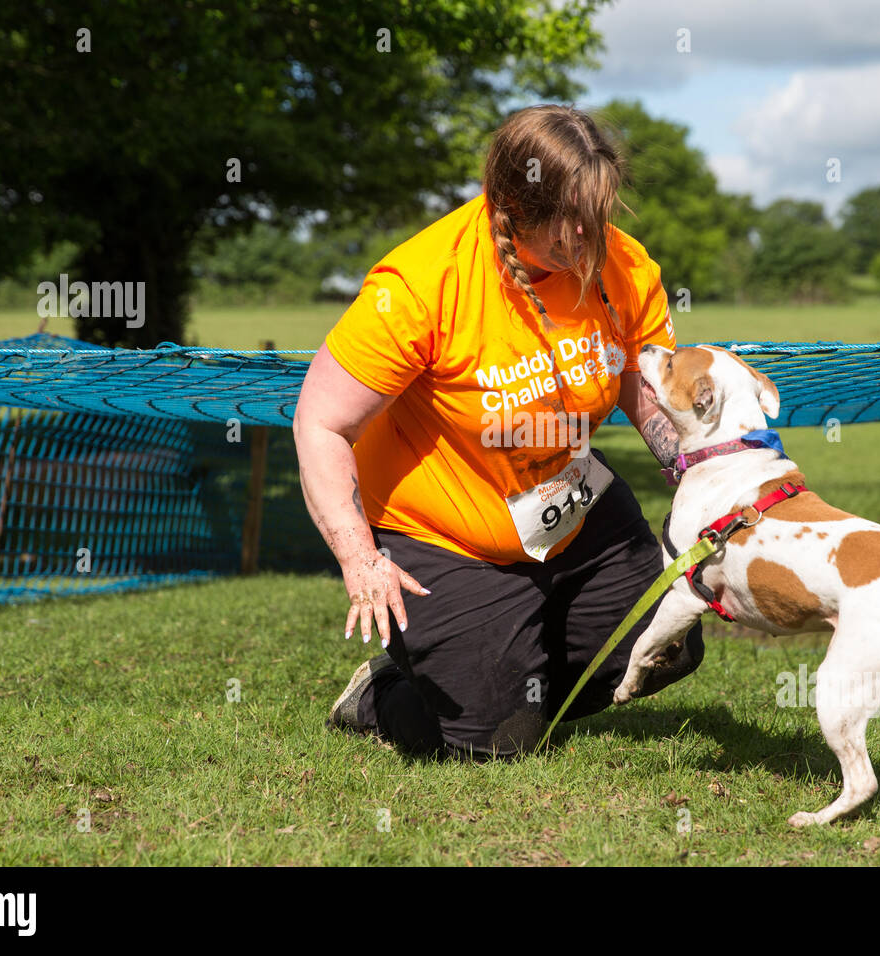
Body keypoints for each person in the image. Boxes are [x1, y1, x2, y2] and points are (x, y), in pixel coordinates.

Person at [292, 104, 703, 758]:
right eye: (568, 217)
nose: (585, 235)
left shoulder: (621, 265)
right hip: (443, 533)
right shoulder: (423, 283)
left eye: (596, 213)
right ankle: (383, 695)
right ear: (509, 203)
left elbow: (640, 383)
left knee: (668, 642)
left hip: (571, 505)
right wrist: (357, 556)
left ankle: (514, 680)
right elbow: (319, 422)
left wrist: (696, 472)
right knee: (497, 740)